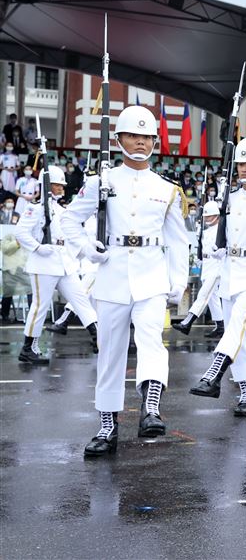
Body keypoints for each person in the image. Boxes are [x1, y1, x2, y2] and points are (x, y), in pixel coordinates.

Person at [62, 105, 189, 457]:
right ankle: (107, 427)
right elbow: (69, 221)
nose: (140, 142)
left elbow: (178, 240)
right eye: (133, 135)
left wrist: (178, 281)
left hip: (152, 276)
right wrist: (88, 249)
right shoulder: (101, 181)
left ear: (155, 142)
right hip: (113, 274)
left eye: (147, 137)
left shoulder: (166, 188)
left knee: (151, 340)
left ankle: (151, 407)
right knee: (110, 352)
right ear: (119, 140)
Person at [189, 137, 246, 416]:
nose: (243, 169)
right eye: (240, 164)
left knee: (236, 324)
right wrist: (218, 249)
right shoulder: (229, 199)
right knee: (237, 335)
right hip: (230, 271)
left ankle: (213, 374)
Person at [15, 165, 98, 364]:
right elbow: (20, 232)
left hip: (64, 263)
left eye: (62, 185)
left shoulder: (62, 210)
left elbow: (68, 237)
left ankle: (98, 337)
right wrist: (37, 247)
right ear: (46, 185)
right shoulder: (35, 208)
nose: (61, 188)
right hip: (43, 263)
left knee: (81, 300)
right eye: (57, 184)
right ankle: (28, 348)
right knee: (40, 306)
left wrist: (83, 251)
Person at [172, 201, 225, 338]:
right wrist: (200, 257)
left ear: (217, 216)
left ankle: (187, 322)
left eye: (209, 216)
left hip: (217, 266)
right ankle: (220, 327)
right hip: (207, 265)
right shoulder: (205, 230)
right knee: (212, 299)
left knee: (203, 295)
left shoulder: (222, 229)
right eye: (205, 216)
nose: (206, 218)